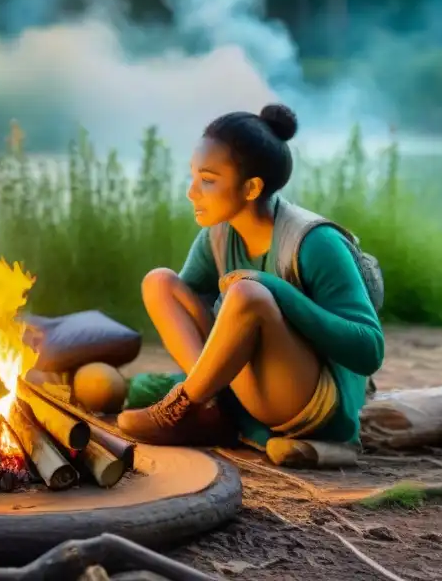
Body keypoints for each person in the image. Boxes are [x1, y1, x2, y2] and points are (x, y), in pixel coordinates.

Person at [116, 104, 384, 450]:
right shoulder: (218, 235)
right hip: (247, 390)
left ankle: (180, 407)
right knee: (160, 282)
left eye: (208, 181)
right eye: (193, 177)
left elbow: (369, 350)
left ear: (252, 188)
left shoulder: (315, 243)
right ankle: (209, 409)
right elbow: (189, 318)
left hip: (311, 402)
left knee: (247, 295)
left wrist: (274, 290)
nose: (191, 192)